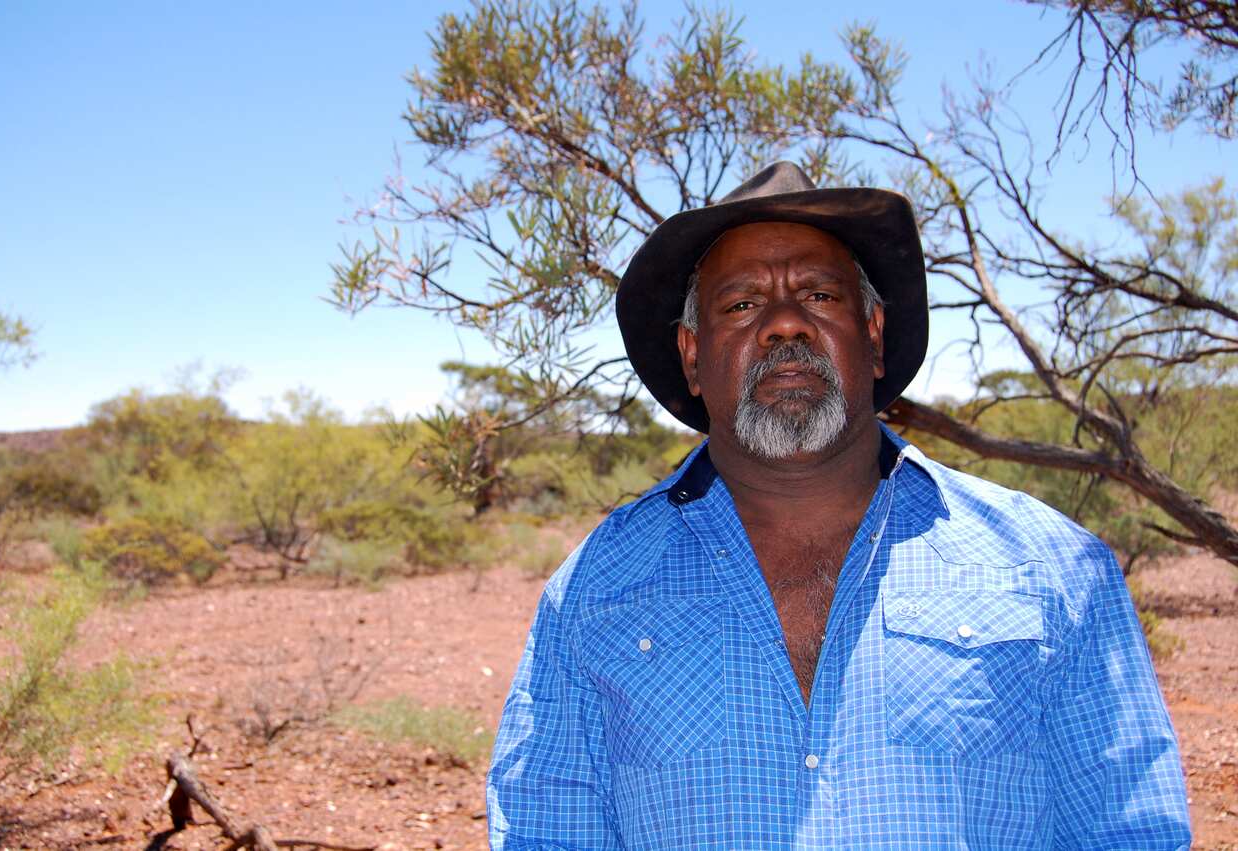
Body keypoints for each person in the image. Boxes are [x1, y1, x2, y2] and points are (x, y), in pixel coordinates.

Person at [486, 162, 1191, 849]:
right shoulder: (594, 591)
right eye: (741, 304)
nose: (783, 324)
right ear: (693, 356)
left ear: (875, 336)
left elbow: (1129, 831)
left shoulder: (1054, 570)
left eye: (820, 296)